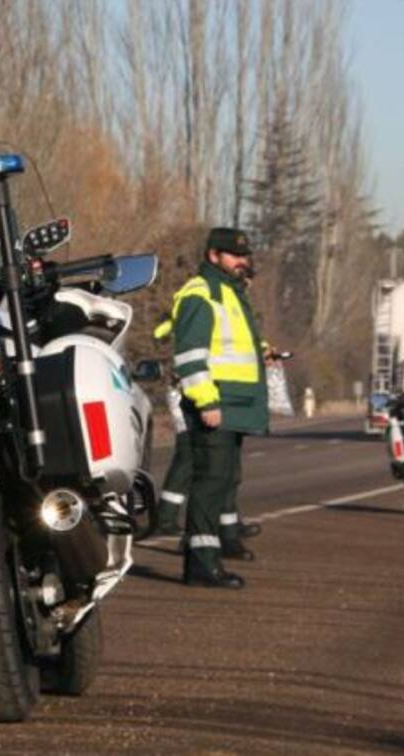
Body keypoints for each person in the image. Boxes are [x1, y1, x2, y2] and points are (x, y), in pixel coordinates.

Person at [161, 227, 269, 589]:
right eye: (234, 255)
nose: (242, 261)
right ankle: (202, 565)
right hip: (216, 405)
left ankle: (207, 559)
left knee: (221, 481)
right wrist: (206, 401)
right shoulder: (202, 293)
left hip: (234, 404)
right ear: (213, 256)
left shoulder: (230, 293)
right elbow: (190, 356)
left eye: (244, 255)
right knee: (209, 485)